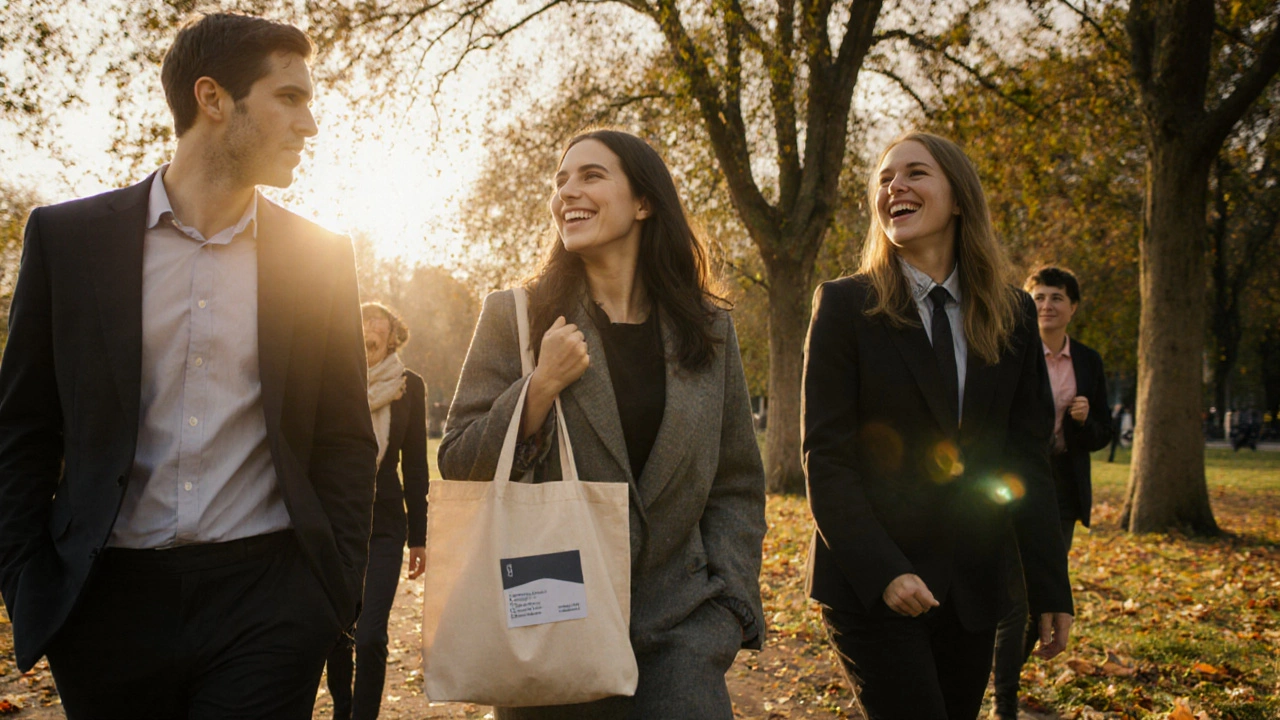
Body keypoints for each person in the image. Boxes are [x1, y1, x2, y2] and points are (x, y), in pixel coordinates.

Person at [0, 13, 377, 719]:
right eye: (289, 97)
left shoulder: (322, 259)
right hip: (104, 608)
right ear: (213, 99)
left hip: (268, 604)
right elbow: (23, 427)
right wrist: (27, 581)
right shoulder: (67, 240)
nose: (310, 124)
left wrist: (328, 595)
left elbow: (345, 439)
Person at [439, 128, 766, 719]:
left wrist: (729, 608)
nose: (568, 191)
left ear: (644, 203)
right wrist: (538, 388)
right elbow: (459, 460)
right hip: (551, 620)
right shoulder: (516, 316)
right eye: (561, 180)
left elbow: (736, 482)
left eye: (591, 176)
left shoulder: (709, 330)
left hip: (682, 631)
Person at [802, 132, 1074, 720]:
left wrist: (1050, 587)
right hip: (870, 586)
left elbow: (1026, 460)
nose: (894, 186)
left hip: (972, 591)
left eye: (915, 173)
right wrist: (885, 571)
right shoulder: (845, 306)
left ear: (958, 199)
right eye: (884, 178)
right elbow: (826, 458)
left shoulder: (1013, 313)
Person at [990, 266, 1111, 719]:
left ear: (1073, 307)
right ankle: (1003, 704)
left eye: (1056, 297)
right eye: (1038, 297)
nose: (1046, 305)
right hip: (1013, 487)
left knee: (1041, 599)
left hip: (1061, 490)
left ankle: (1003, 685)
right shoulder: (1009, 350)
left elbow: (1102, 434)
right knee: (1015, 598)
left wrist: (1085, 420)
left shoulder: (1088, 362)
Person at [326, 302, 429, 720]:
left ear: (391, 339)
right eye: (363, 321)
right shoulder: (337, 380)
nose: (369, 327)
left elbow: (416, 465)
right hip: (337, 524)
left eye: (378, 324)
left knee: (369, 635)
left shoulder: (409, 387)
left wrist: (419, 537)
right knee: (337, 633)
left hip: (385, 527)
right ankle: (343, 711)